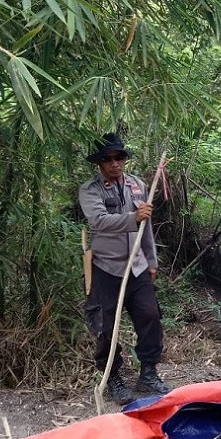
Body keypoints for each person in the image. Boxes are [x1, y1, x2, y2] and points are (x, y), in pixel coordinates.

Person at [79, 132, 171, 405]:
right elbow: (98, 221)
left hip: (137, 266)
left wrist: (151, 261)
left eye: (118, 157)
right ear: (99, 163)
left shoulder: (137, 185)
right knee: (107, 326)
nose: (114, 163)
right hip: (106, 268)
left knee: (150, 316)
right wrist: (133, 217)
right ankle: (113, 378)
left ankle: (149, 372)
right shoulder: (91, 190)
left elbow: (146, 227)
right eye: (108, 159)